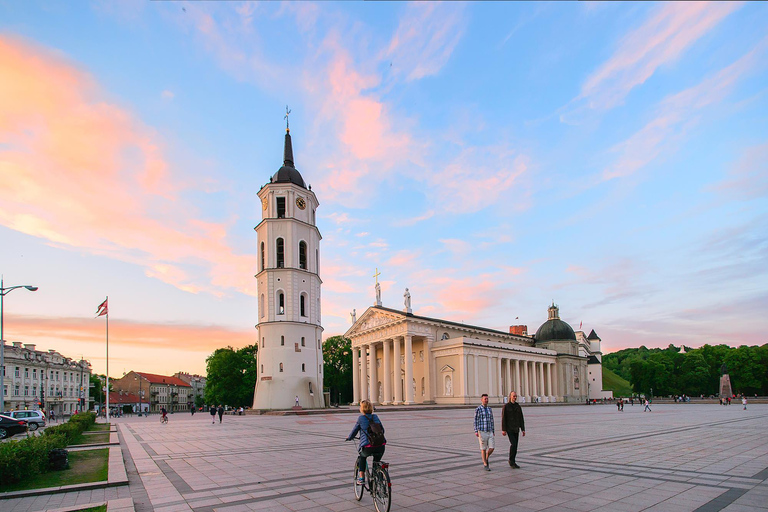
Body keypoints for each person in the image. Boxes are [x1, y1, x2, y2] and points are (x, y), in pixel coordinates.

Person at [346, 399, 386, 485]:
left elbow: (354, 431)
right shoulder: (375, 417)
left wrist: (349, 437)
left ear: (362, 408)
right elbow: (382, 430)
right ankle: (378, 477)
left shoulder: (361, 418)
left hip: (368, 447)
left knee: (362, 457)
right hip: (381, 445)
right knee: (376, 461)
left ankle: (361, 478)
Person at [501, 391, 525, 469]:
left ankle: (513, 461)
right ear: (510, 397)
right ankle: (511, 460)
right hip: (509, 429)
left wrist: (523, 429)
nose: (515, 397)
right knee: (513, 444)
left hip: (516, 428)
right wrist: (503, 429)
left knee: (515, 446)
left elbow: (521, 418)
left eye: (515, 396)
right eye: (513, 396)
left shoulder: (518, 406)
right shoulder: (506, 406)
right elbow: (503, 418)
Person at [474, 393, 495, 471]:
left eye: (487, 399)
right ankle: (485, 463)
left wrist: (493, 430)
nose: (486, 400)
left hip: (489, 431)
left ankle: (486, 457)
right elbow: (475, 420)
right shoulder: (478, 409)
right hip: (482, 431)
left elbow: (492, 420)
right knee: (483, 448)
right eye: (485, 399)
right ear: (481, 400)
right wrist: (476, 431)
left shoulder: (489, 409)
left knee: (492, 448)